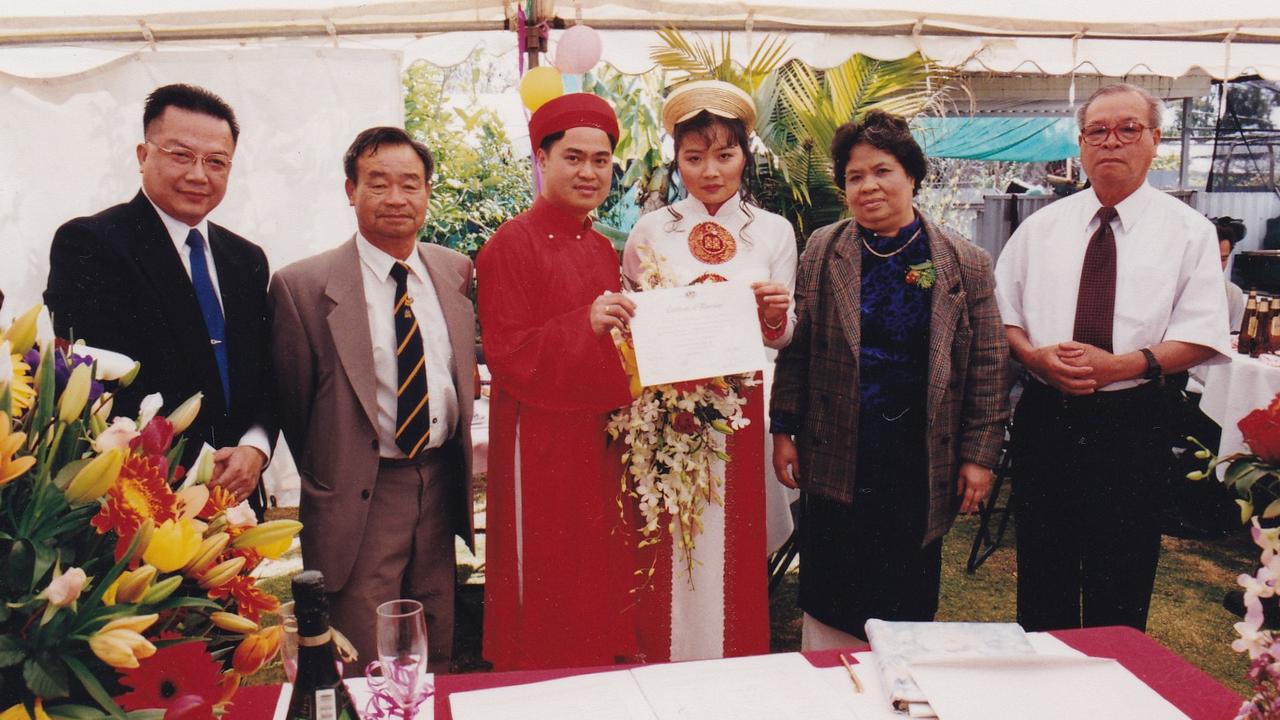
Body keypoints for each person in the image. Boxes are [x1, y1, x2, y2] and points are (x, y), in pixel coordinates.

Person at [994, 83, 1231, 631]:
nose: (1111, 142)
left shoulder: (1188, 233)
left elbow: (1201, 333)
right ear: (1080, 144)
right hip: (1047, 416)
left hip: (1132, 421)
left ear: (1154, 141)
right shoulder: (1041, 228)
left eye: (1128, 129)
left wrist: (1119, 367)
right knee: (1042, 574)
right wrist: (1034, 358)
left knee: (1120, 581)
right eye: (1097, 131)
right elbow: (1002, 314)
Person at [770, 110, 1009, 649]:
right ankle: (830, 689)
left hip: (919, 457)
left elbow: (990, 367)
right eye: (855, 177)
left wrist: (978, 456)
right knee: (833, 591)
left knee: (904, 597)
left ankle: (899, 687)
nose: (868, 186)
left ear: (912, 177)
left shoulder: (963, 262)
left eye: (882, 170)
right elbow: (799, 349)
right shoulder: (823, 250)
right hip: (838, 450)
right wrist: (784, 427)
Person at [270, 127, 475, 674]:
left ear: (428, 191)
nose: (396, 198)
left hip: (438, 482)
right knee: (363, 643)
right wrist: (336, 473)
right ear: (349, 190)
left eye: (411, 184)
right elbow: (294, 406)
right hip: (361, 489)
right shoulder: (303, 286)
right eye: (377, 183)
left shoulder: (453, 270)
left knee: (435, 636)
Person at [622, 80, 795, 661]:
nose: (711, 171)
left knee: (735, 540)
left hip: (741, 409)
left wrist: (775, 316)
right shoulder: (651, 230)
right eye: (694, 157)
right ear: (676, 158)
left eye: (724, 154)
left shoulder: (773, 230)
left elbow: (783, 333)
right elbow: (634, 321)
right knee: (668, 532)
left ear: (746, 154)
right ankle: (662, 659)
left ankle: (736, 660)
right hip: (666, 411)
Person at [44, 83, 271, 512]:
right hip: (145, 490)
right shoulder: (92, 243)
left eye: (216, 161)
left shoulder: (246, 259)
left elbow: (266, 374)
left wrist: (255, 449)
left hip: (240, 489)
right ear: (143, 155)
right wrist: (198, 461)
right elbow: (98, 377)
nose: (198, 174)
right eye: (181, 155)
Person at [477, 93, 638, 671]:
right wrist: (583, 324)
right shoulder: (509, 245)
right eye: (574, 157)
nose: (589, 172)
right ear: (541, 159)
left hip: (597, 435)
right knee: (545, 573)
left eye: (601, 160)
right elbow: (508, 353)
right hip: (538, 439)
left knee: (596, 568)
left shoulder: (600, 247)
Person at [1212, 216, 1247, 329]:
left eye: (1223, 259)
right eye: (1212, 257)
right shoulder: (1177, 289)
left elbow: (1234, 338)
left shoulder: (1233, 294)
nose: (1217, 264)